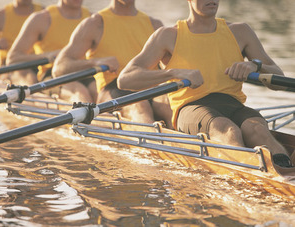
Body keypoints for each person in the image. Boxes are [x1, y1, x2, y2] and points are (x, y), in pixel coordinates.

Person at [118, 0, 293, 167]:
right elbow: (125, 79)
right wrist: (174, 72)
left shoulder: (240, 32)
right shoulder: (168, 36)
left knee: (258, 131)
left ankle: (286, 174)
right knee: (228, 131)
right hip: (191, 107)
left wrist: (255, 65)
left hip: (232, 104)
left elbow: (279, 80)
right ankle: (250, 178)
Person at [52, 0, 173, 128]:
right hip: (113, 89)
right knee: (139, 105)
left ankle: (182, 143)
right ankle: (154, 143)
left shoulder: (154, 24)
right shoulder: (95, 23)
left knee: (170, 105)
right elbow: (59, 68)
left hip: (150, 87)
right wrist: (96, 62)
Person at [6, 0, 93, 103]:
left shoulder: (92, 20)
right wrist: (47, 56)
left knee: (97, 91)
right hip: (52, 74)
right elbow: (12, 58)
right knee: (80, 92)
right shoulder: (41, 19)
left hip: (83, 71)